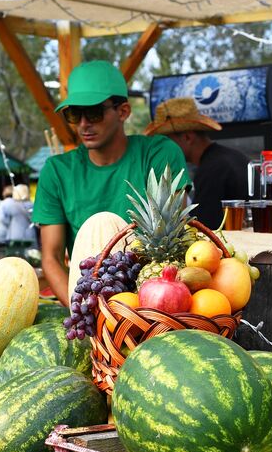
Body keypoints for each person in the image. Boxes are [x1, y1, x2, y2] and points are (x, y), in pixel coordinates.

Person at [32, 60, 187, 304]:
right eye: (74, 114)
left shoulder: (159, 154)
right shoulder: (57, 171)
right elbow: (51, 256)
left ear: (123, 111)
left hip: (154, 301)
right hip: (88, 297)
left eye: (93, 112)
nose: (83, 123)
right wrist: (80, 308)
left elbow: (173, 242)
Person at [146, 96, 248, 230]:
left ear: (187, 137)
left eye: (166, 142)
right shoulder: (231, 156)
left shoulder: (212, 169)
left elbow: (203, 226)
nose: (163, 149)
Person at [0, 183, 36, 249]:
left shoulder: (10, 205)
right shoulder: (32, 205)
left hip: (15, 235)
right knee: (31, 257)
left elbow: (2, 220)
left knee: (16, 257)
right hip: (30, 234)